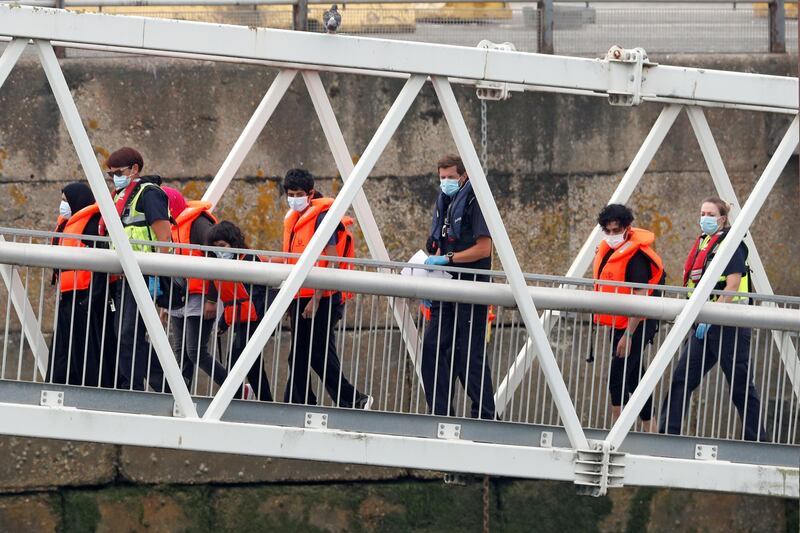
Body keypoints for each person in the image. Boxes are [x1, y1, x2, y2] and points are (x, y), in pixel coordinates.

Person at [659, 197, 767, 441]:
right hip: (704, 326)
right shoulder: (704, 243)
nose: (704, 218)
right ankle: (667, 434)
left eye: (710, 213)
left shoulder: (730, 245)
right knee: (681, 379)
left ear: (722, 218)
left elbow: (732, 285)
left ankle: (757, 439)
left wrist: (713, 314)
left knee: (740, 388)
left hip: (730, 326)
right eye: (702, 213)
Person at [280, 168, 372, 409]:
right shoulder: (297, 217)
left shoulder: (322, 217)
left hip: (322, 297)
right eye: (290, 194)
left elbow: (330, 260)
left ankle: (345, 399)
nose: (293, 198)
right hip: (302, 296)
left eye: (298, 193)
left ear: (310, 193)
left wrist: (317, 299)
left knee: (311, 354)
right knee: (308, 353)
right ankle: (311, 401)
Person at [421, 154, 496, 419]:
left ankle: (486, 414)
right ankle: (440, 412)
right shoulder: (445, 201)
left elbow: (484, 248)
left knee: (469, 353)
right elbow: (439, 241)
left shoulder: (476, 201)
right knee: (432, 347)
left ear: (463, 176)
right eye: (442, 178)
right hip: (445, 287)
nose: (446, 182)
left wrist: (448, 259)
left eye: (451, 177)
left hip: (471, 287)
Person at [103, 147, 171, 392]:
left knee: (129, 332)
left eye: (118, 173)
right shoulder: (121, 196)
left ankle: (131, 386)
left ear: (134, 169)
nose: (114, 178)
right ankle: (165, 385)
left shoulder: (148, 194)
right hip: (125, 276)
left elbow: (164, 235)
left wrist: (159, 273)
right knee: (124, 332)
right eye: (110, 175)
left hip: (144, 274)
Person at [593, 204, 664, 432]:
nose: (612, 235)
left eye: (617, 230)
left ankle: (617, 435)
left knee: (617, 378)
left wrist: (629, 335)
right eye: (608, 231)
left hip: (638, 323)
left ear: (627, 228)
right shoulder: (610, 251)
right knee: (634, 379)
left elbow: (640, 299)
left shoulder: (636, 257)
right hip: (621, 322)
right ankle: (651, 432)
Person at [164, 187, 231, 394]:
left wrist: (212, 299)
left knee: (195, 352)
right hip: (178, 297)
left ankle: (233, 389)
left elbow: (216, 258)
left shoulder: (199, 224)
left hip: (201, 296)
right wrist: (165, 301)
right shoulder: (171, 226)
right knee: (181, 351)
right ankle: (180, 395)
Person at [49, 183, 116, 388]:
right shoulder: (67, 224)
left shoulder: (91, 224)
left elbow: (101, 262)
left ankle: (91, 386)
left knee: (87, 346)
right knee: (65, 346)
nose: (62, 205)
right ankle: (61, 383)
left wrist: (94, 297)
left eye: (65, 201)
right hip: (70, 296)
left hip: (87, 297)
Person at [206, 221, 272, 401]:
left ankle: (230, 401)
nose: (219, 250)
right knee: (254, 367)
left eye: (222, 246)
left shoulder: (250, 260)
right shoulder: (224, 265)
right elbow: (231, 300)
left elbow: (260, 294)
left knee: (234, 361)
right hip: (241, 320)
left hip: (255, 319)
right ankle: (267, 402)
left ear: (233, 244)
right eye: (215, 247)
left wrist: (260, 321)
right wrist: (223, 323)